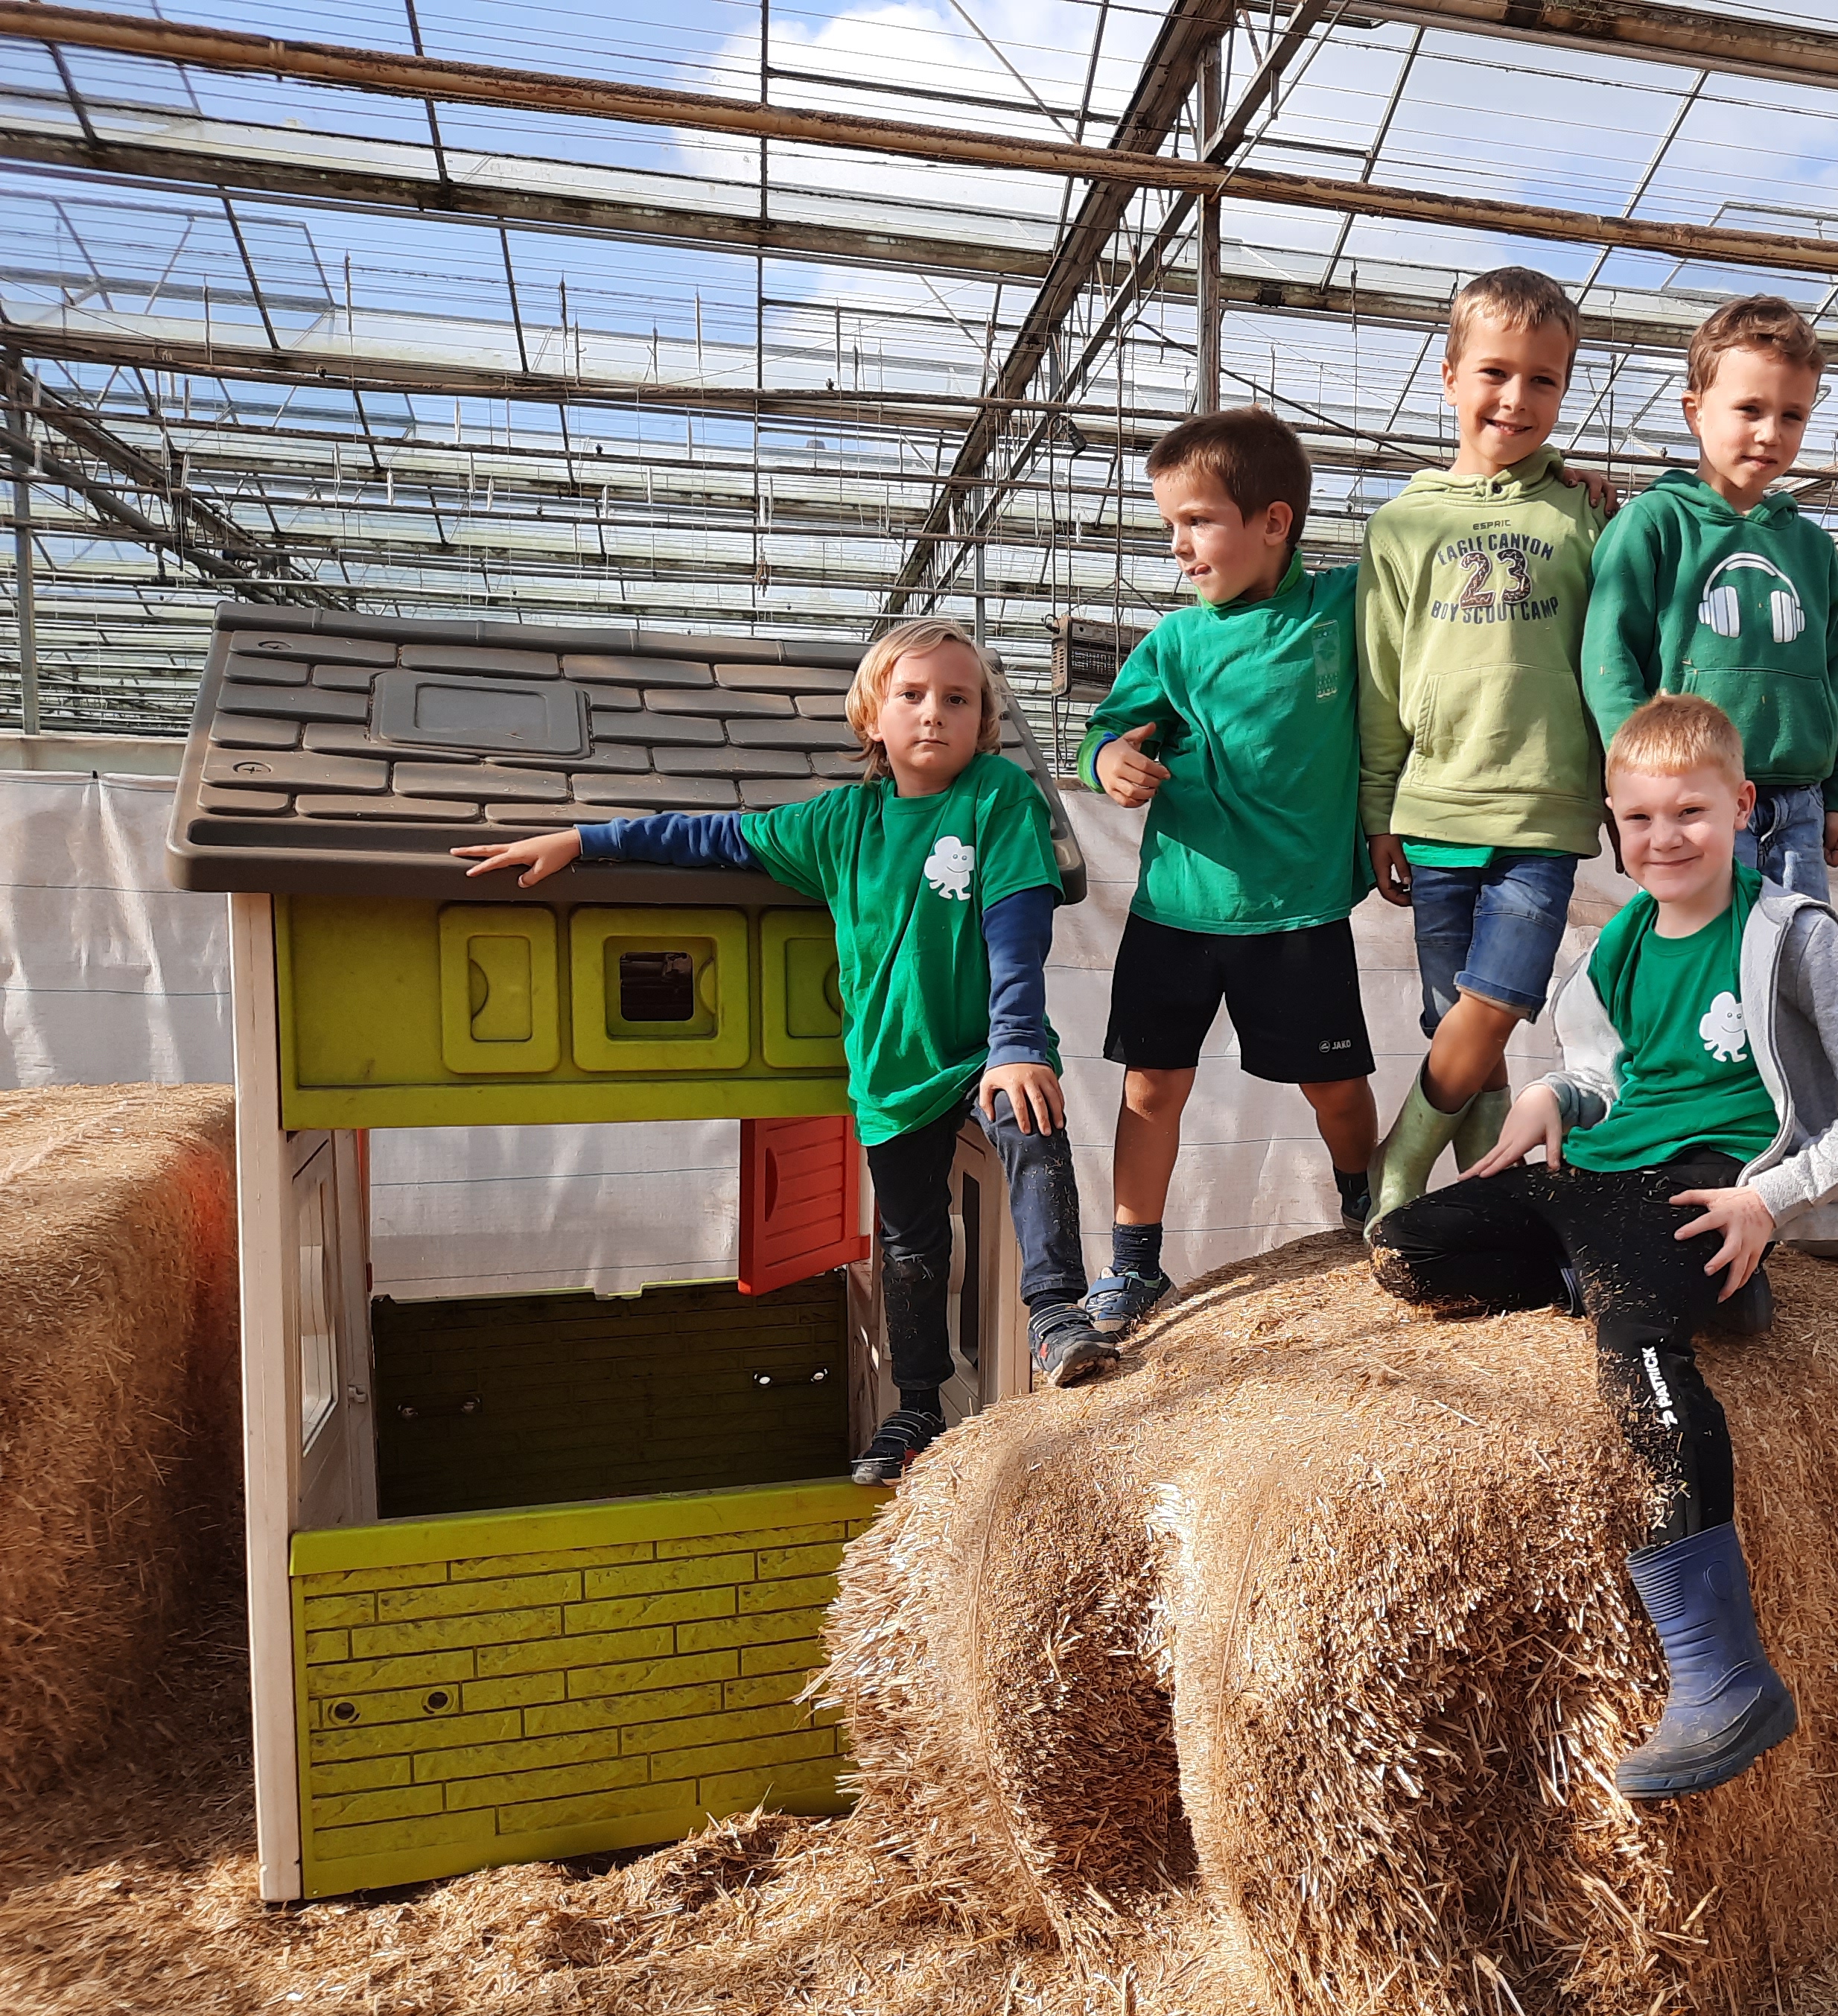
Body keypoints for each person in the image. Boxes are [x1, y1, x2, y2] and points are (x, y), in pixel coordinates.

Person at [1367, 694, 1838, 1799]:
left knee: (1633, 1344)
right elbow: (1600, 1073)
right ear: (1613, 825)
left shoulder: (1791, 937)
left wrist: (1777, 1199)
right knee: (1406, 1247)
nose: (1663, 838)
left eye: (1690, 812)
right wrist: (1545, 1098)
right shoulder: (1620, 934)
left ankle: (1724, 1674)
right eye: (1638, 818)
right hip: (1607, 1170)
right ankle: (1668, 1282)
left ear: (1744, 809)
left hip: (1705, 1179)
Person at [452, 618, 1110, 1487]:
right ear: (873, 717)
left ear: (983, 721)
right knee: (910, 1243)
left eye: (958, 699)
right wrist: (583, 841)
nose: (934, 713)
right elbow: (710, 839)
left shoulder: (996, 795)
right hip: (891, 1071)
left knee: (1030, 1125)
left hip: (984, 1049)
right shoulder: (840, 822)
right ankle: (915, 1406)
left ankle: (1057, 1314)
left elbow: (1017, 922)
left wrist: (1019, 1043)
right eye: (911, 696)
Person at [1077, 407, 1381, 1335]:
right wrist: (1110, 763)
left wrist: (1571, 485)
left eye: (1199, 520)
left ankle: (1363, 1211)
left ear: (1274, 523)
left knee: (1332, 1086)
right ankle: (1133, 1267)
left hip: (1296, 913)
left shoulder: (1341, 606)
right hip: (1177, 905)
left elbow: (1443, 547)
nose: (1179, 545)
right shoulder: (1174, 644)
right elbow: (1108, 730)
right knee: (1149, 1086)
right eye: (1169, 524)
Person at [1357, 263, 1611, 1227]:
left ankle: (1400, 1163)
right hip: (1433, 810)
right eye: (1497, 372)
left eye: (1544, 380)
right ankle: (1493, 1203)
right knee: (1453, 1022)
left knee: (1496, 999)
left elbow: (1619, 654)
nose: (1517, 398)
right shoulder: (1404, 521)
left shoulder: (1582, 512)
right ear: (1451, 374)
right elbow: (1382, 680)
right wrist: (1379, 812)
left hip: (1543, 809)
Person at [1583, 293, 1838, 906]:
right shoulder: (1654, 524)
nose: (1770, 433)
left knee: (1795, 960)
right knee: (1701, 953)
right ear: (1696, 412)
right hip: (1691, 801)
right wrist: (1642, 787)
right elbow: (1608, 662)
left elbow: (1835, 675)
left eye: (1793, 416)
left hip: (1799, 805)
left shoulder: (1814, 549)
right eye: (1750, 409)